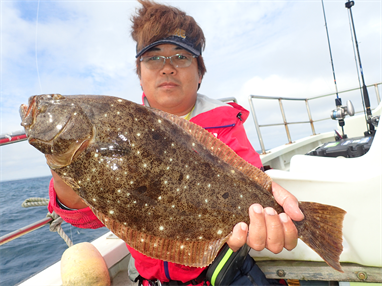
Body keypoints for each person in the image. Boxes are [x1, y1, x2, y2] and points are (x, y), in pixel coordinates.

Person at [49, 0, 304, 285]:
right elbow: (85, 217)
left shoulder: (226, 124)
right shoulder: (116, 130)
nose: (167, 67)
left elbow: (252, 187)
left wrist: (268, 216)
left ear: (200, 74)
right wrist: (63, 163)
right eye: (153, 57)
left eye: (181, 56)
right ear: (140, 74)